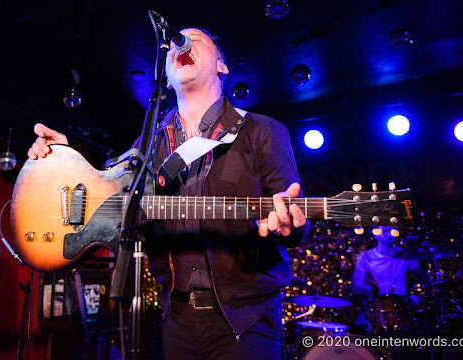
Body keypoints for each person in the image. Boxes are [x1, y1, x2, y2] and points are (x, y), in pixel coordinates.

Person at [28, 28, 309, 360]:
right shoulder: (147, 145)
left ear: (222, 66)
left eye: (196, 40)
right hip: (176, 320)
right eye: (176, 42)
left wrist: (289, 224)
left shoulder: (262, 130)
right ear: (165, 72)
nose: (182, 44)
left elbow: (291, 213)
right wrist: (65, 159)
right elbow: (105, 193)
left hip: (247, 319)